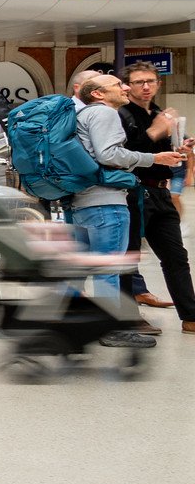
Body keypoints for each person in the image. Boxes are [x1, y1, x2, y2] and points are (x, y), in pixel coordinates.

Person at [73, 72, 177, 347]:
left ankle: (73, 324)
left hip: (83, 200)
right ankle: (112, 330)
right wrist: (152, 157)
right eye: (118, 85)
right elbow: (108, 154)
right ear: (97, 93)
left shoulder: (83, 115)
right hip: (107, 202)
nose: (126, 87)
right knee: (109, 267)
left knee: (79, 267)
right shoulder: (105, 114)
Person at [117, 63, 195, 331]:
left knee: (176, 255)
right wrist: (155, 131)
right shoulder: (122, 115)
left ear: (159, 84)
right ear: (127, 86)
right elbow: (124, 155)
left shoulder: (160, 114)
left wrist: (182, 146)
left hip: (161, 191)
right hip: (134, 191)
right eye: (139, 82)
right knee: (129, 256)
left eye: (150, 81)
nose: (146, 87)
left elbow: (166, 152)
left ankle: (190, 316)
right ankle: (129, 318)